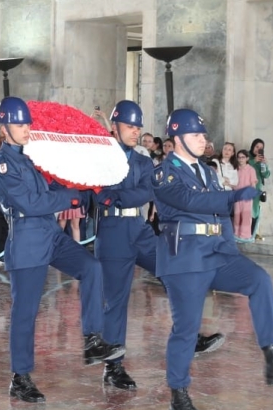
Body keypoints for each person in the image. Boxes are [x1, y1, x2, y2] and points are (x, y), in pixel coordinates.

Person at [153, 108, 273, 410]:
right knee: (187, 328)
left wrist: (231, 249)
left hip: (216, 251)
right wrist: (236, 194)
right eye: (196, 135)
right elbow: (193, 202)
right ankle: (179, 397)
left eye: (203, 134)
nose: (203, 140)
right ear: (177, 137)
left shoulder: (208, 172)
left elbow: (222, 214)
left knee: (259, 280)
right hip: (184, 258)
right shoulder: (164, 173)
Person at [0, 97, 124, 403]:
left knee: (91, 268)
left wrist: (83, 187)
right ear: (4, 127)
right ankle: (20, 378)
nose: (26, 129)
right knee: (26, 314)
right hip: (27, 240)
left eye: (27, 123)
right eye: (20, 124)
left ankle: (92, 339)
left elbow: (50, 190)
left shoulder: (30, 159)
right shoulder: (2, 163)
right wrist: (71, 200)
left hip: (50, 234)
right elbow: (31, 204)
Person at [94, 101, 225, 391]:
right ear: (114, 127)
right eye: (130, 126)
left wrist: (120, 196)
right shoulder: (100, 157)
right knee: (116, 301)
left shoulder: (142, 161)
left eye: (138, 127)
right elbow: (100, 193)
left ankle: (191, 337)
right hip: (113, 232)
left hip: (138, 230)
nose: (135, 132)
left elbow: (145, 191)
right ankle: (113, 368)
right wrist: (118, 196)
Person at [249, 138, 271, 238]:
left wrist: (264, 164)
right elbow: (242, 167)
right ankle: (247, 234)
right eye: (257, 146)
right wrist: (254, 161)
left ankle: (253, 234)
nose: (258, 149)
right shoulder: (247, 157)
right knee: (248, 211)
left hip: (257, 190)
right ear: (253, 146)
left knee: (256, 212)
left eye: (261, 148)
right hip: (247, 189)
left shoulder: (261, 160)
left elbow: (266, 175)